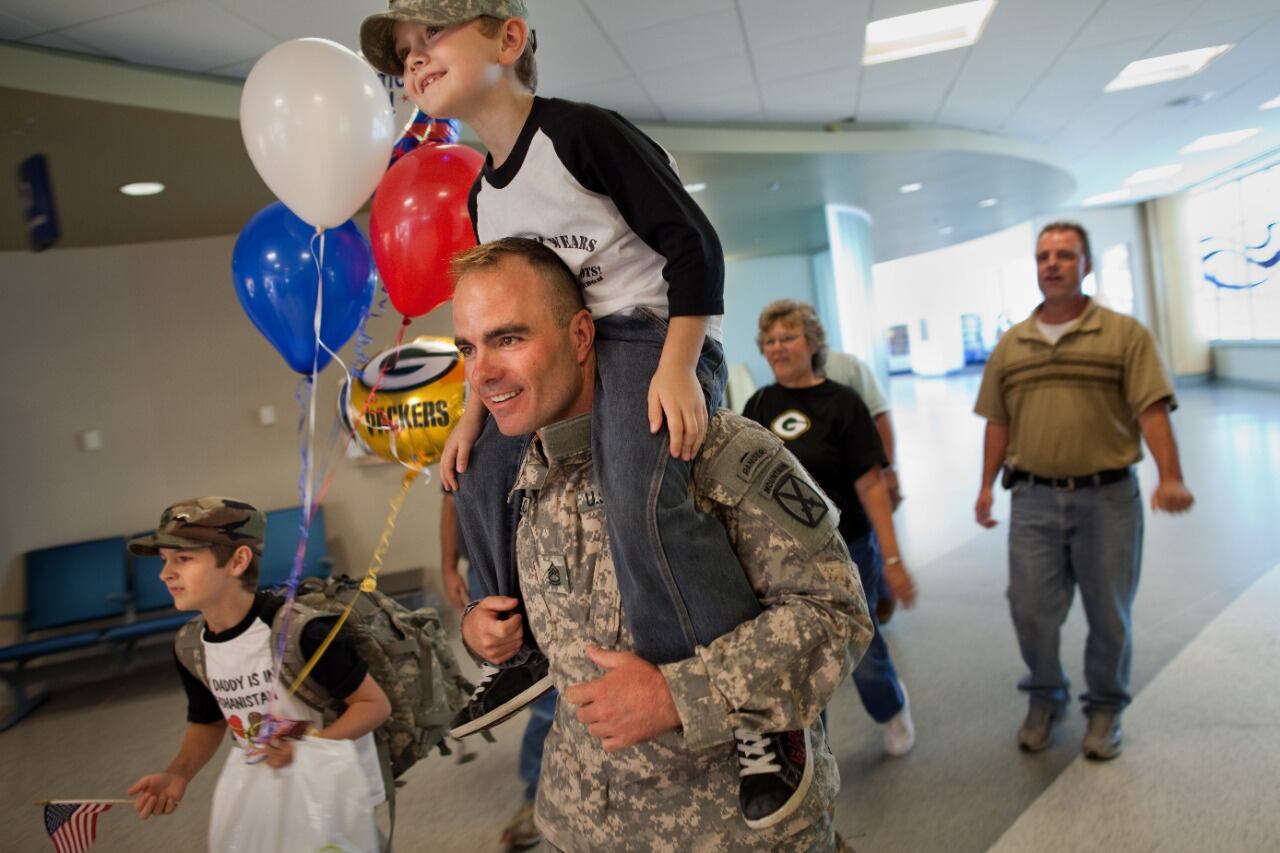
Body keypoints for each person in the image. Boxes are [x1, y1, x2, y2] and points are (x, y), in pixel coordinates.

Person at [359, 1, 802, 820]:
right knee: (476, 471)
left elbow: (694, 244)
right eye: (406, 54)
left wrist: (676, 366)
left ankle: (751, 718)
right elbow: (495, 330)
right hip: (569, 346)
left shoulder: (583, 134)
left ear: (508, 38)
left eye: (433, 40)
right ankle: (517, 637)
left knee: (639, 499)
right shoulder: (485, 198)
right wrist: (469, 417)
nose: (415, 61)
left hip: (649, 334)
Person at [449, 237, 872, 849]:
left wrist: (676, 695)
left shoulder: (710, 447)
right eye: (469, 346)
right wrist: (481, 627)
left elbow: (837, 616)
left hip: (731, 832)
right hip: (583, 822)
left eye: (509, 339)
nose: (481, 372)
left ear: (579, 337)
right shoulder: (522, 475)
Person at [974, 222, 1195, 759]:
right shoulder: (1012, 343)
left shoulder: (1124, 334)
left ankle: (1105, 708)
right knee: (1029, 609)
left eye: (1065, 255)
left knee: (1109, 612)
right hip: (1032, 499)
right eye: (1044, 255)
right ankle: (1046, 696)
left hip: (1108, 499)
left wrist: (1170, 475)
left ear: (1086, 266)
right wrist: (984, 486)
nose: (1052, 263)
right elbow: (997, 421)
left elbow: (1152, 409)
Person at [124, 498, 392, 840]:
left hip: (331, 789)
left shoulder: (301, 633)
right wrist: (179, 773)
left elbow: (373, 705)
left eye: (184, 559)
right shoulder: (190, 645)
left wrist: (308, 750)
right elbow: (207, 720)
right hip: (267, 789)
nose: (165, 574)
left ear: (238, 560)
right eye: (164, 561)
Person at [743, 300, 919, 758]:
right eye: (770, 341)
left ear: (813, 344)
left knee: (859, 647)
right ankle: (812, 746)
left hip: (847, 548)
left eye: (789, 337)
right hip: (782, 555)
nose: (777, 347)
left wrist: (894, 558)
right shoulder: (759, 405)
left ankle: (892, 707)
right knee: (796, 653)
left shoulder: (843, 403)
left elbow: (870, 485)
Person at [441, 491, 552, 851]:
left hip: (539, 548)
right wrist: (447, 566)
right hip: (484, 560)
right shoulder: (467, 436)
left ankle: (539, 793)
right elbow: (450, 499)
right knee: (511, 664)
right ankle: (541, 790)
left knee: (550, 695)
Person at [822, 349, 904, 624]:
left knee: (867, 541)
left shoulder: (847, 367)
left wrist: (889, 471)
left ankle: (880, 595)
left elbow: (881, 417)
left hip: (859, 479)